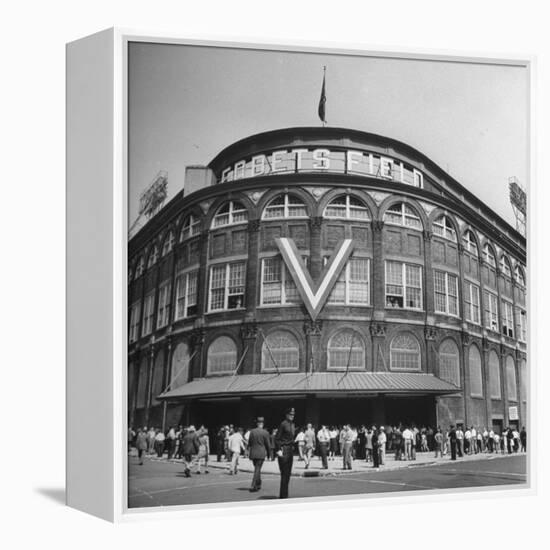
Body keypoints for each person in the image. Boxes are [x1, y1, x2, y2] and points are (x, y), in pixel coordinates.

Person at [274, 407, 296, 499]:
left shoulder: (292, 424)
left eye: (293, 414)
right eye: (290, 414)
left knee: (288, 474)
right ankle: (283, 496)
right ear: (286, 415)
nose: (292, 416)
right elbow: (277, 439)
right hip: (284, 450)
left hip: (290, 450)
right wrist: (278, 450)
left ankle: (285, 495)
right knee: (284, 474)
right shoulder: (283, 424)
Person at [247, 416, 272, 492]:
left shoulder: (252, 432)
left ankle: (258, 483)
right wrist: (269, 455)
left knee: (257, 468)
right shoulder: (265, 432)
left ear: (257, 423)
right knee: (257, 469)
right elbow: (268, 445)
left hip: (253, 453)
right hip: (261, 453)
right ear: (262, 424)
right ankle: (253, 484)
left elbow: (250, 443)